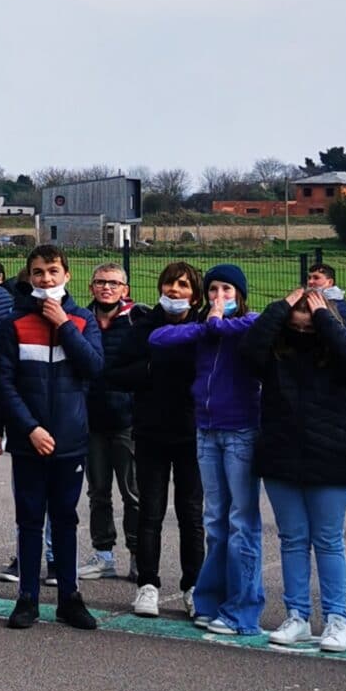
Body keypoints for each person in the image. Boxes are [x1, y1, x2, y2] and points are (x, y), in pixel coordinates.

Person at [248, 281, 346, 650]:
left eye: (309, 318)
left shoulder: (338, 355)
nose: (302, 324)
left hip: (329, 455)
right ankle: (297, 615)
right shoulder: (274, 353)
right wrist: (280, 307)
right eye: (295, 317)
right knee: (292, 539)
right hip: (281, 454)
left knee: (328, 540)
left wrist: (324, 317)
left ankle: (336, 619)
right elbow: (248, 350)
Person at [0, 245, 104, 631]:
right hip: (29, 441)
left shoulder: (83, 319)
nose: (46, 279)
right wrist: (30, 428)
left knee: (65, 520)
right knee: (29, 520)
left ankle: (69, 598)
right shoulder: (13, 322)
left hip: (70, 440)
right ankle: (27, 598)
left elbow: (94, 366)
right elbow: (4, 383)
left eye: (53, 271)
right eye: (38, 272)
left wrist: (63, 325)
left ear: (67, 275)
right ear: (29, 277)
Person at [147, 264, 262, 634]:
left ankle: (243, 611)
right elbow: (159, 337)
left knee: (242, 521)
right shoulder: (203, 329)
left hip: (240, 431)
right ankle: (209, 600)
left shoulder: (249, 323)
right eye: (213, 290)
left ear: (240, 294)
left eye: (227, 290)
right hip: (206, 430)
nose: (219, 297)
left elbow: (254, 326)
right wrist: (207, 325)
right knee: (215, 521)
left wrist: (218, 323)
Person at [122, 260, 204, 616]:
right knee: (150, 512)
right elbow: (115, 372)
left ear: (195, 296)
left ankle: (194, 586)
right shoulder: (143, 327)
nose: (175, 290)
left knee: (191, 514)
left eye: (183, 285)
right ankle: (148, 584)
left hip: (192, 432)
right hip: (151, 430)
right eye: (170, 283)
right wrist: (150, 370)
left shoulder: (204, 328)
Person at [82, 262, 142, 579]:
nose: (107, 287)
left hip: (127, 422)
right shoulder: (80, 320)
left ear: (125, 289)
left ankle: (137, 554)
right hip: (91, 421)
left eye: (114, 283)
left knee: (133, 493)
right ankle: (103, 554)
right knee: (98, 492)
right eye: (101, 282)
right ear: (91, 286)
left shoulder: (137, 321)